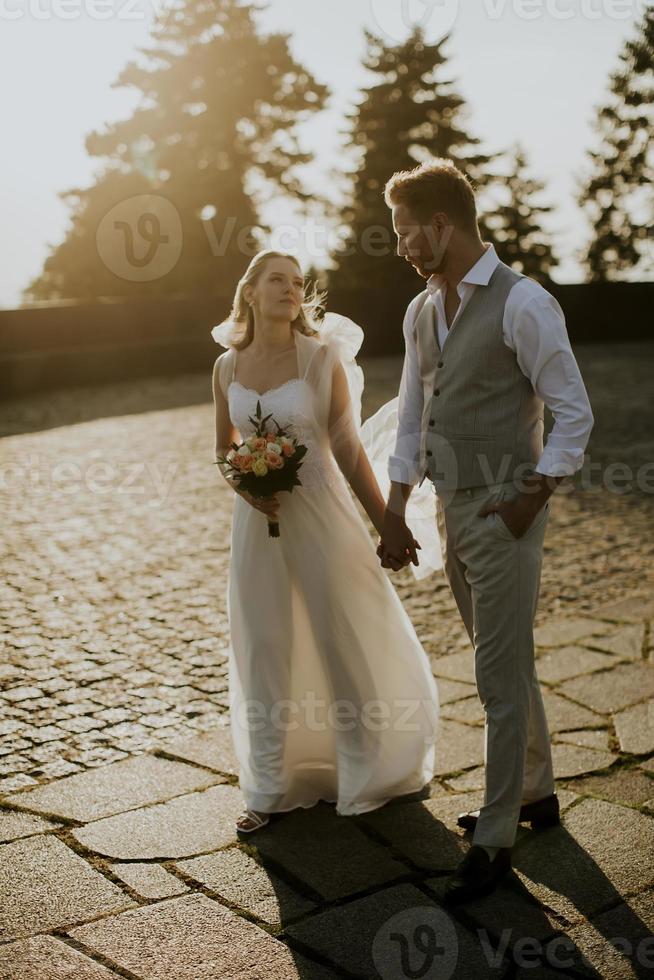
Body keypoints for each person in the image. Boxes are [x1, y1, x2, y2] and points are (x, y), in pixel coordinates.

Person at [377, 157, 595, 905]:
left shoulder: (523, 303)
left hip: (505, 510)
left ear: (443, 225)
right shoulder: (421, 311)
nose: (402, 244)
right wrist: (395, 505)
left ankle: (497, 834)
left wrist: (529, 501)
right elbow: (412, 414)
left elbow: (574, 412)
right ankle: (536, 795)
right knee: (504, 661)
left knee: (496, 680)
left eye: (408, 230)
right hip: (447, 506)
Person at [211, 249, 441, 834]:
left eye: (296, 282)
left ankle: (365, 770)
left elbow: (346, 447)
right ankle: (269, 784)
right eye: (276, 281)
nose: (289, 289)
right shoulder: (225, 367)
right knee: (264, 643)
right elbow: (223, 449)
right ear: (250, 292)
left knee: (338, 635)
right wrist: (245, 485)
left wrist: (387, 520)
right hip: (257, 529)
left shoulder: (320, 359)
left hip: (322, 517)